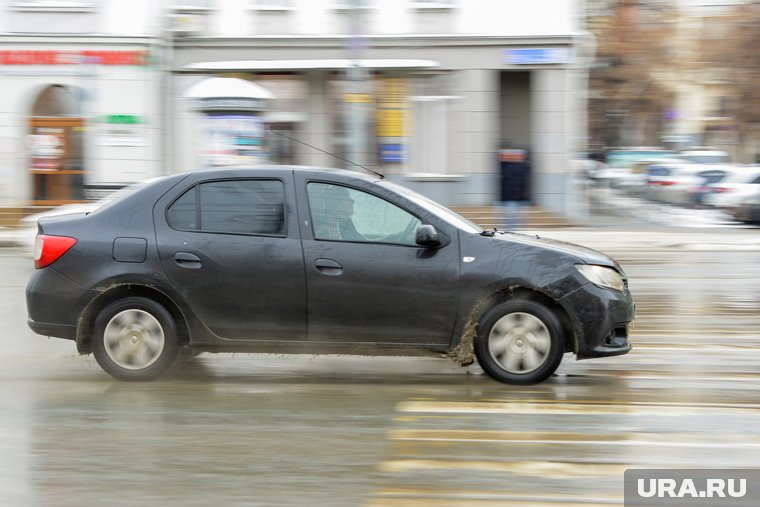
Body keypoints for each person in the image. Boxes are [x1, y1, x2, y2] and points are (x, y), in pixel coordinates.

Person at [498, 148, 531, 230]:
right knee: (511, 217)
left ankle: (512, 231)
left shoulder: (522, 166)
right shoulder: (505, 166)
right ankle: (511, 231)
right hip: (510, 197)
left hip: (517, 197)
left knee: (514, 217)